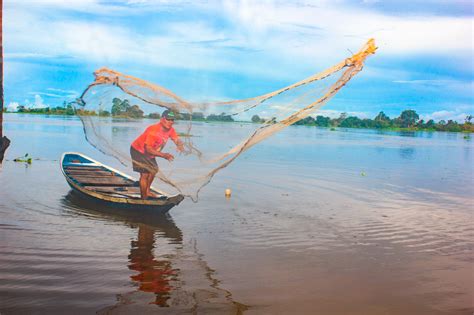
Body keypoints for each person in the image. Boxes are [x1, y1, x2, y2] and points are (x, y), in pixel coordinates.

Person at [130, 109, 184, 199]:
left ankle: (147, 191)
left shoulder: (170, 129)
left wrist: (180, 145)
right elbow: (148, 149)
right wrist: (164, 155)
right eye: (168, 119)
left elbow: (176, 139)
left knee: (154, 170)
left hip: (149, 152)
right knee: (145, 174)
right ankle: (144, 199)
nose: (170, 122)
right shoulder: (153, 130)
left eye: (172, 120)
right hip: (138, 150)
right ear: (162, 119)